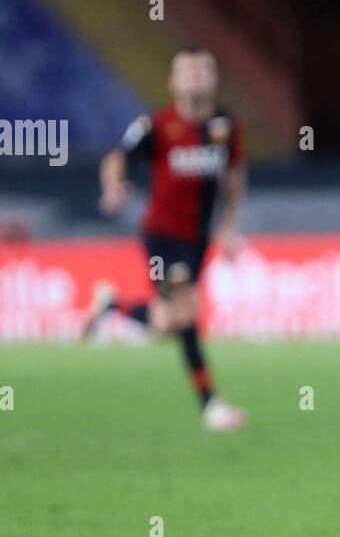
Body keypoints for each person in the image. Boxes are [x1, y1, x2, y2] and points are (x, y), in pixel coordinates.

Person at [84, 46, 247, 432]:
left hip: (197, 240)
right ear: (173, 82)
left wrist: (228, 227)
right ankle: (211, 405)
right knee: (187, 310)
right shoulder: (157, 126)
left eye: (202, 70)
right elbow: (116, 159)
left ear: (214, 77)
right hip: (162, 236)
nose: (195, 77)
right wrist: (113, 185)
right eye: (187, 71)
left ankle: (111, 306)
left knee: (164, 323)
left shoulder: (226, 127)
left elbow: (235, 180)